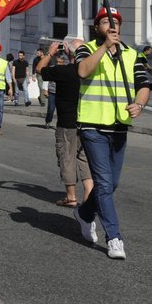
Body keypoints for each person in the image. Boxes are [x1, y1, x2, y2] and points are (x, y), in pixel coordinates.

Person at [73, 7, 150, 261]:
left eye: (115, 22)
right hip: (93, 125)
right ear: (97, 27)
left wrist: (139, 104)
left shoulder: (131, 54)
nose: (111, 25)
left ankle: (85, 214)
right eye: (106, 21)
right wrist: (105, 46)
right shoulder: (87, 48)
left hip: (119, 126)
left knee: (112, 184)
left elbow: (143, 86)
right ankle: (114, 237)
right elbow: (83, 71)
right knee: (104, 183)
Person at [36, 41, 93, 209]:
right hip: (88, 122)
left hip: (67, 123)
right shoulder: (92, 73)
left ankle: (71, 197)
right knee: (85, 159)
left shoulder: (64, 71)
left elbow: (40, 69)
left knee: (67, 157)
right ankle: (89, 196)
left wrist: (51, 52)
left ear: (70, 53)